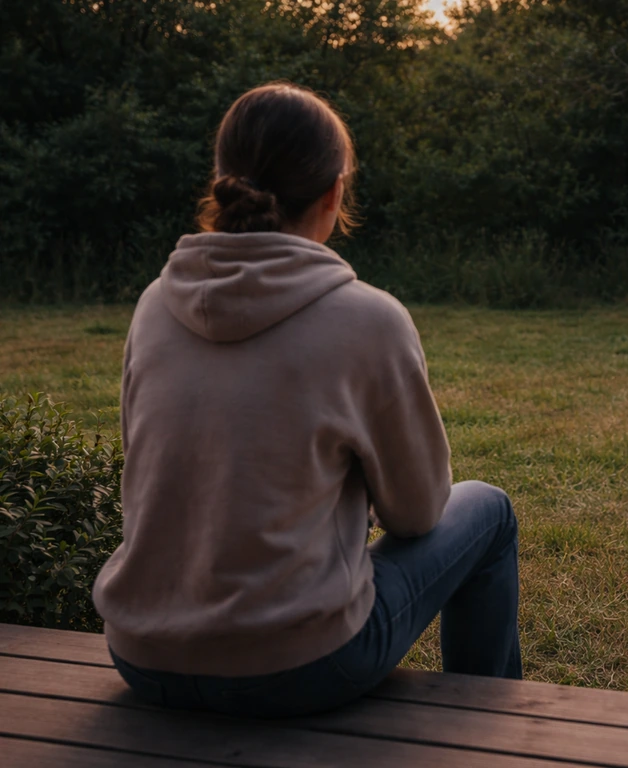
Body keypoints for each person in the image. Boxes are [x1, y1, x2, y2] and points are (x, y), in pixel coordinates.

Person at [91, 82, 521, 719]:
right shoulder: (368, 320)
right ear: (333, 192)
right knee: (488, 511)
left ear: (222, 182)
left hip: (143, 656)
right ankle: (484, 725)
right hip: (297, 667)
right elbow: (418, 512)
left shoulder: (155, 305)